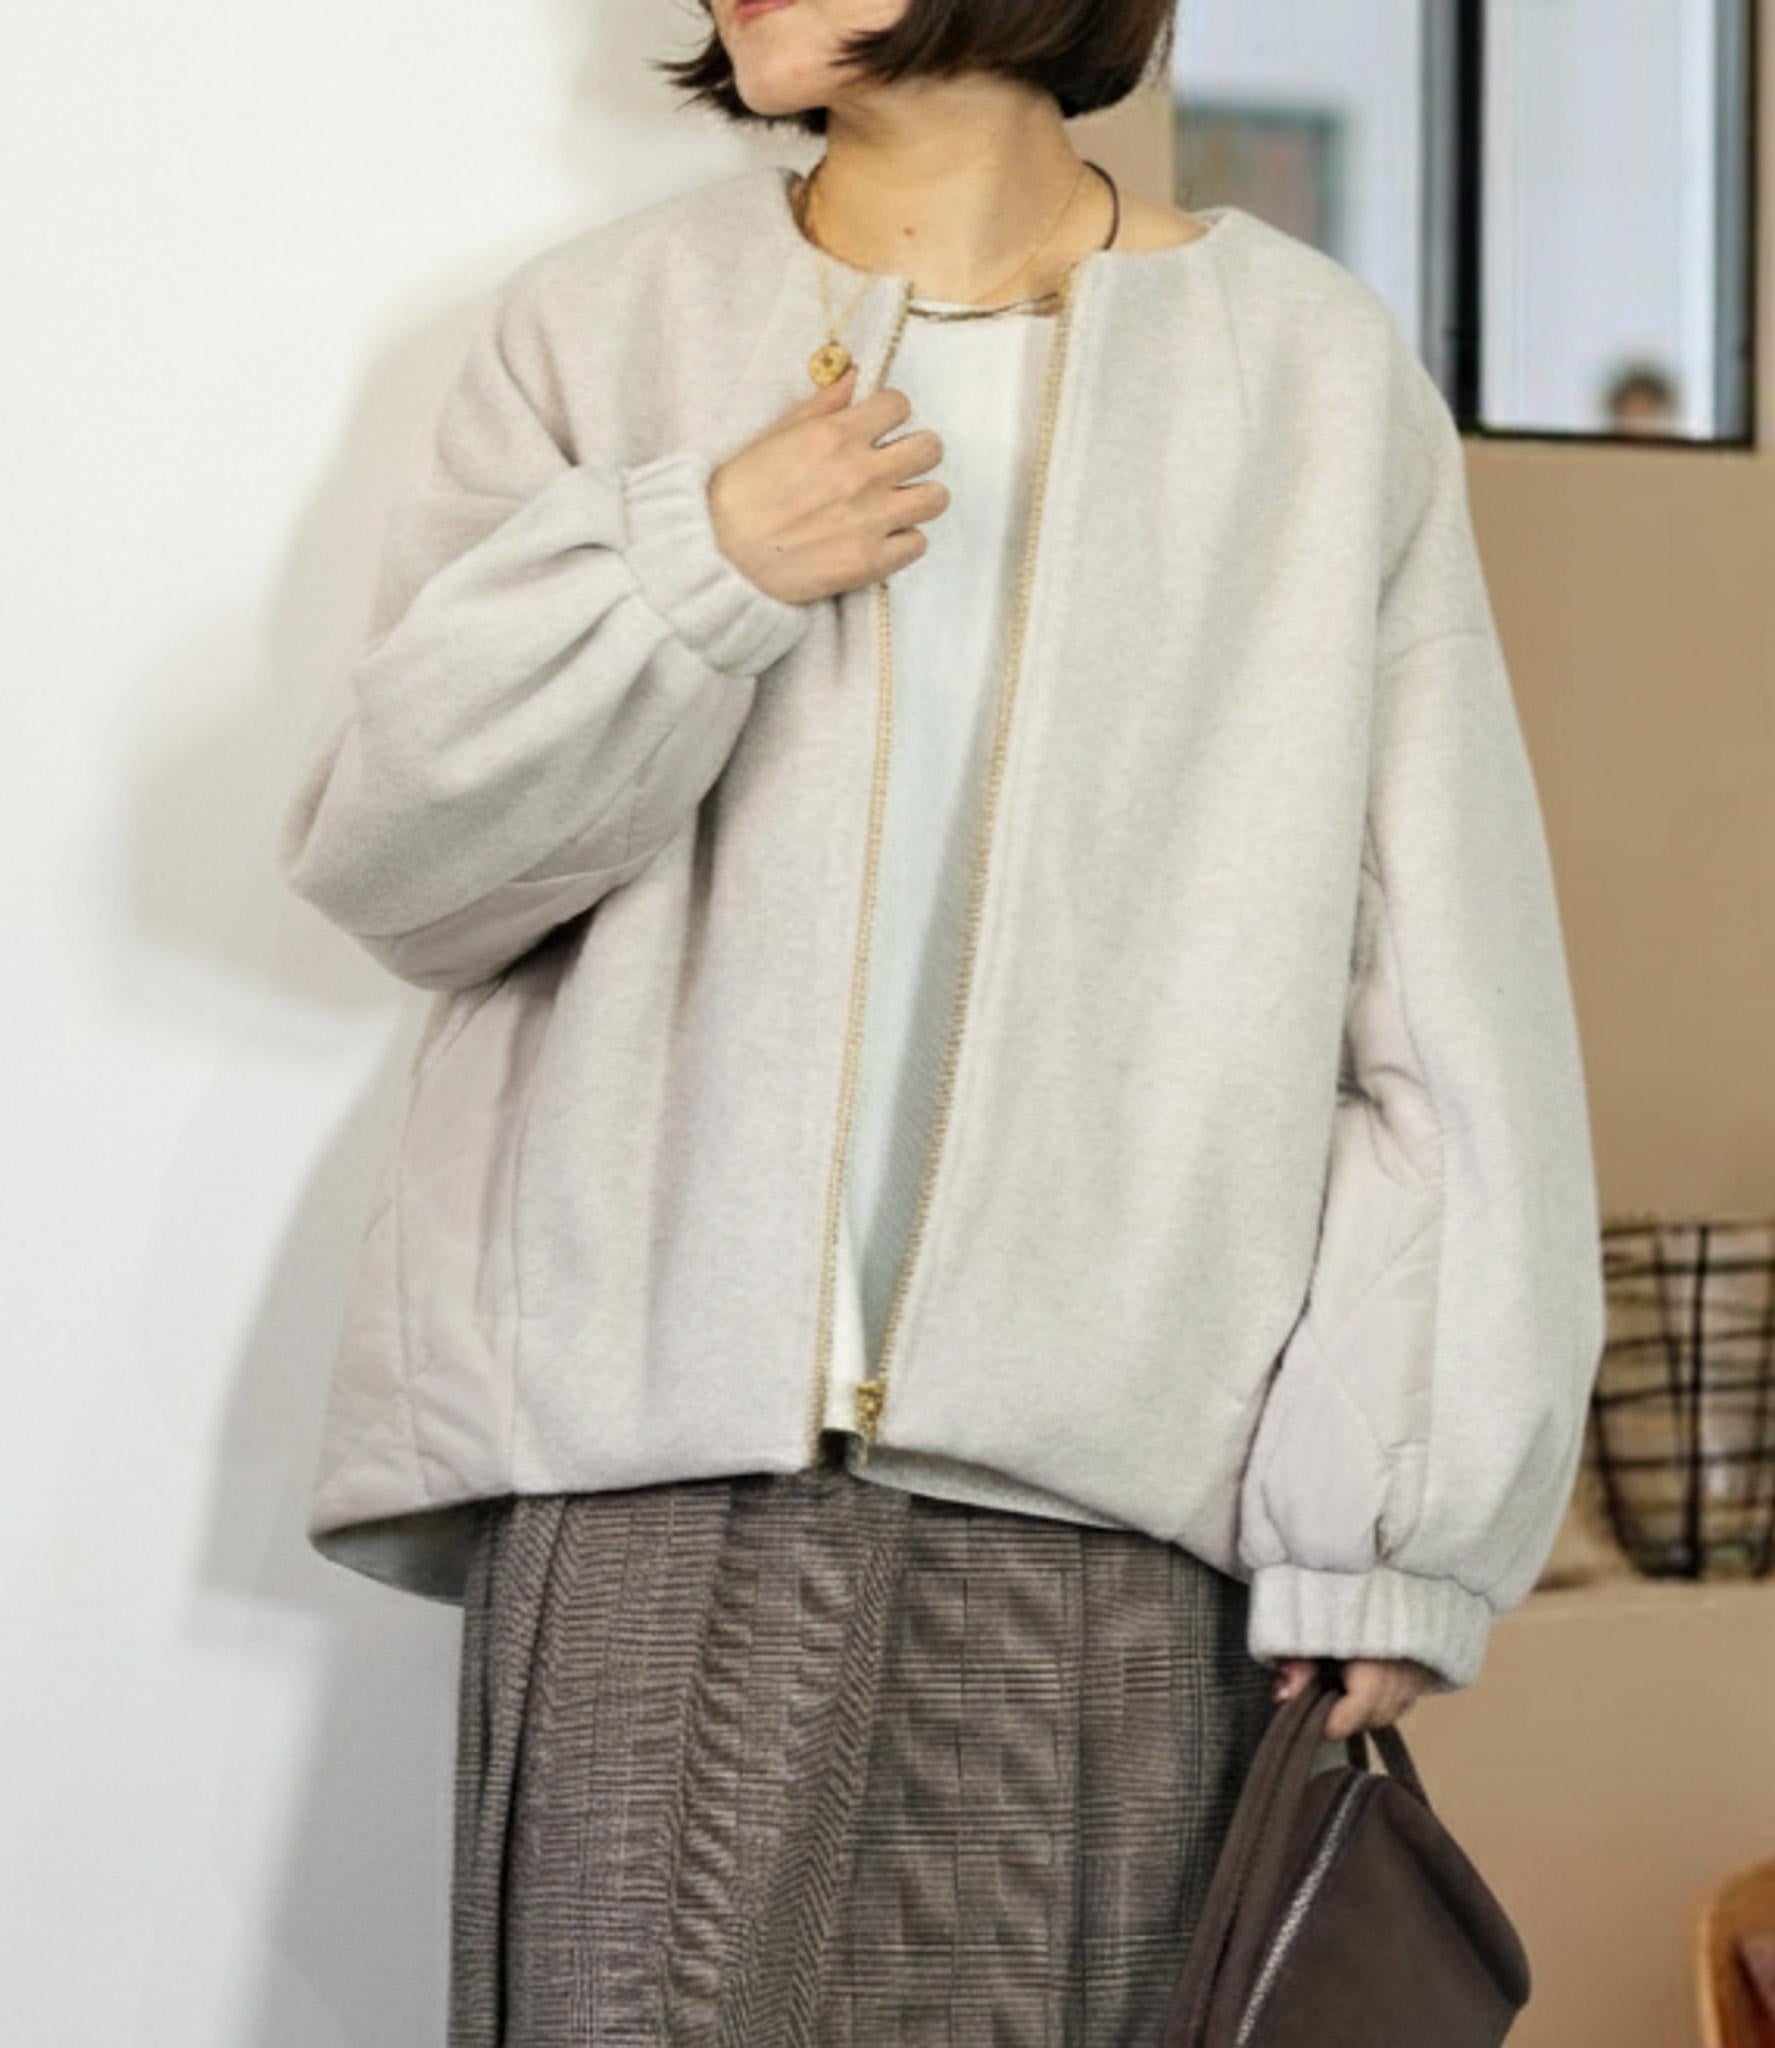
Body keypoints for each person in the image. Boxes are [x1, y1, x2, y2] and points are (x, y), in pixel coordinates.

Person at [276, 1, 1607, 2040]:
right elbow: (406, 867)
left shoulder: (1309, 379)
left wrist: (1397, 1522)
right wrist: (702, 562)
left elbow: (1444, 994)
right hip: (652, 1498)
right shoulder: (603, 332)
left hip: (1112, 1521)